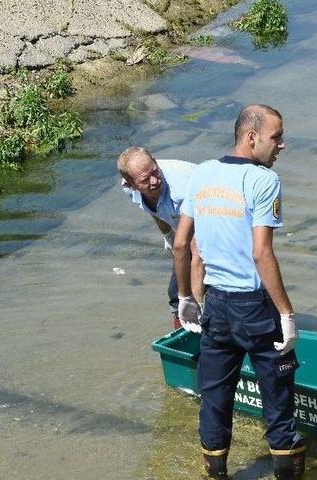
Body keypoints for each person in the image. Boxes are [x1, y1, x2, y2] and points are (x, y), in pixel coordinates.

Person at [172, 105, 306, 479]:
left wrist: (186, 298)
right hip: (254, 308)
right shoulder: (263, 181)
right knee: (278, 402)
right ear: (252, 137)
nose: (282, 145)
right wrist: (287, 314)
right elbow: (261, 253)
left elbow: (182, 245)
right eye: (276, 137)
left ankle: (215, 473)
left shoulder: (202, 174)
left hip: (214, 304)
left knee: (214, 399)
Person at [117, 147, 204, 328]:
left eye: (155, 172)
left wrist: (195, 302)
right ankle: (184, 336)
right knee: (176, 294)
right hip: (186, 230)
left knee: (208, 294)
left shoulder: (182, 188)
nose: (155, 181)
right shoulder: (129, 189)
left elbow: (198, 250)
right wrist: (167, 235)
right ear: (130, 184)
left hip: (221, 222)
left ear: (155, 161)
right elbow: (154, 209)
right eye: (145, 180)